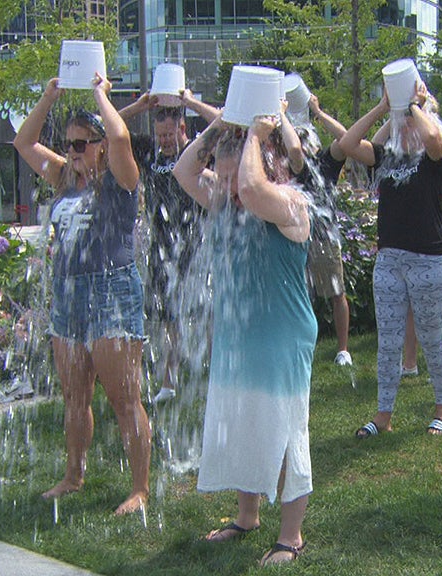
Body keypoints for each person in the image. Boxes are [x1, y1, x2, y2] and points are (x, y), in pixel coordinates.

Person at [172, 112, 316, 566]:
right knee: (242, 420)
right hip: (240, 333)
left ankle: (291, 535)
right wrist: (220, 127)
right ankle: (247, 515)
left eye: (235, 177)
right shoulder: (225, 203)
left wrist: (255, 132)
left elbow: (254, 191)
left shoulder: (291, 204)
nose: (229, 187)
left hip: (283, 335)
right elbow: (183, 171)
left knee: (288, 431)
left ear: (264, 164)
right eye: (225, 176)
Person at [13, 74, 151, 516]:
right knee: (75, 396)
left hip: (112, 292)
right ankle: (73, 476)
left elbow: (122, 136)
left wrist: (99, 95)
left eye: (81, 144)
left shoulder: (119, 180)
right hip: (69, 296)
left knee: (124, 397)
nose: (72, 152)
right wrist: (49, 93)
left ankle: (140, 488)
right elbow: (24, 142)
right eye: (69, 143)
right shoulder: (63, 180)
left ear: (99, 145)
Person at [340, 79, 442, 438]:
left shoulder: (439, 160)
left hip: (429, 261)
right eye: (401, 120)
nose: (405, 126)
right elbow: (347, 144)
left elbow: (434, 141)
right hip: (390, 260)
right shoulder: (387, 157)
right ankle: (383, 415)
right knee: (387, 341)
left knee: (431, 336)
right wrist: (384, 108)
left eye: (410, 120)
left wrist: (414, 107)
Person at [119, 95, 205, 404]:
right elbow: (108, 130)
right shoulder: (150, 153)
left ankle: (210, 377)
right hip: (161, 248)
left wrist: (192, 102)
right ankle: (169, 381)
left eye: (169, 134)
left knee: (203, 313)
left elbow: (221, 125)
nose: (164, 141)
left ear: (182, 127)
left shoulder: (195, 154)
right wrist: (139, 107)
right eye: (160, 135)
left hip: (195, 245)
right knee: (168, 317)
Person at [297, 94, 353, 366]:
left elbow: (346, 137)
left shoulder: (325, 162)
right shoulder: (289, 166)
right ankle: (301, 345)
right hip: (295, 239)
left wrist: (318, 113)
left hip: (324, 237)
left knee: (336, 292)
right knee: (297, 296)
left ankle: (343, 349)